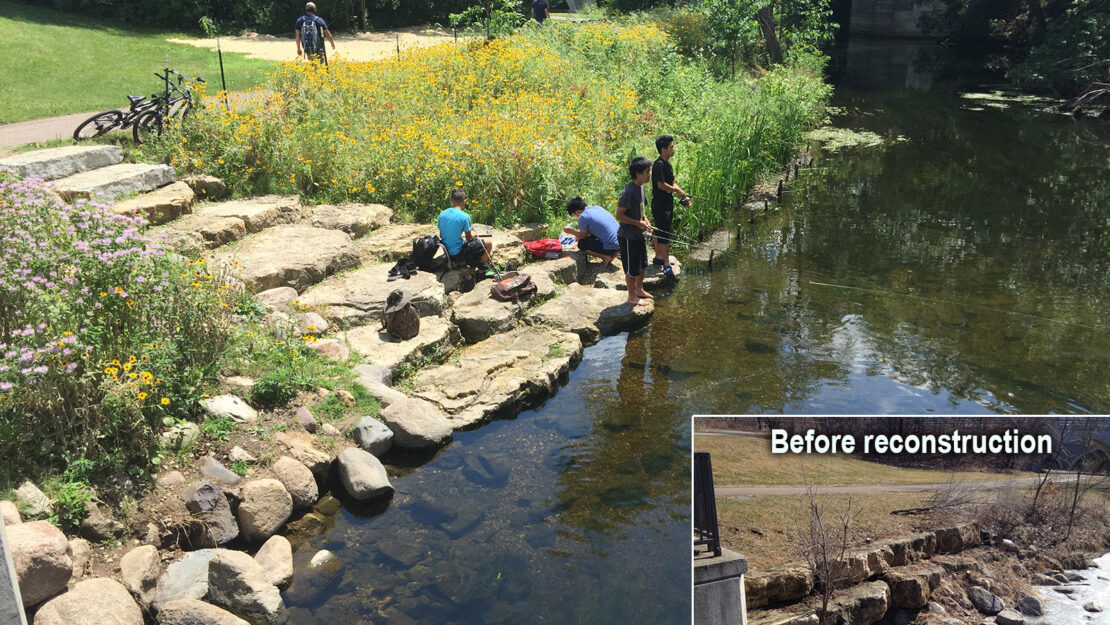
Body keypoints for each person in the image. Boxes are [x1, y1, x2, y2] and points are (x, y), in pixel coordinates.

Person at [616, 156, 654, 306]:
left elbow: (642, 210)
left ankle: (639, 289)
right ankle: (631, 296)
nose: (649, 175)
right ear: (638, 174)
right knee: (631, 267)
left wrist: (647, 223)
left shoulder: (641, 188)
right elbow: (619, 216)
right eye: (647, 172)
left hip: (638, 234)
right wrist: (638, 224)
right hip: (628, 236)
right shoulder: (628, 192)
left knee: (642, 263)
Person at [651, 134, 689, 280]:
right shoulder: (658, 165)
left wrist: (683, 196)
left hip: (667, 203)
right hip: (660, 205)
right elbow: (661, 185)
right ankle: (666, 265)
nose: (674, 149)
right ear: (663, 149)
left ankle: (659, 257)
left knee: (661, 230)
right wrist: (676, 191)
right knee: (663, 233)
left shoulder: (668, 165)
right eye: (671, 147)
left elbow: (672, 183)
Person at [437, 188, 493, 274]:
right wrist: (473, 235)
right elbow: (469, 238)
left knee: (469, 243)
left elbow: (441, 234)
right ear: (464, 201)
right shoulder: (465, 217)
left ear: (451, 200)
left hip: (447, 251)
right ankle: (481, 271)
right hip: (458, 253)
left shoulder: (442, 214)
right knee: (488, 243)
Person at [563, 196, 619, 269]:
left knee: (581, 244)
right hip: (620, 242)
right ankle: (613, 254)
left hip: (611, 246)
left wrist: (570, 231)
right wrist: (578, 234)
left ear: (576, 211)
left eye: (574, 214)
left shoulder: (583, 216)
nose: (576, 216)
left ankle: (605, 257)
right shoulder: (596, 208)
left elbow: (583, 236)